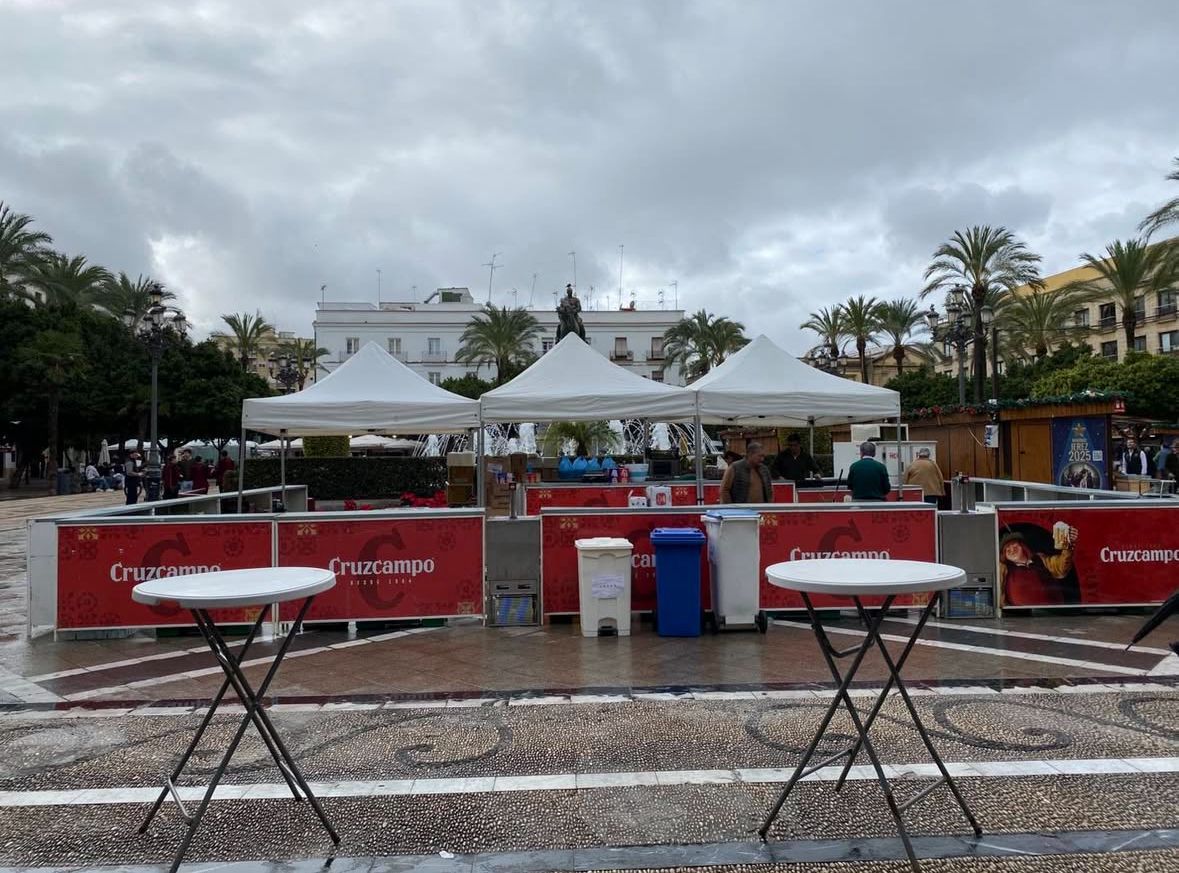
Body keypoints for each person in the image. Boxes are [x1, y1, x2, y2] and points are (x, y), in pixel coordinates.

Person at [999, 527, 1078, 606]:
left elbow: (1062, 568)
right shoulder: (1005, 570)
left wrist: (1068, 544)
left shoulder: (1040, 559)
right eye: (1007, 550)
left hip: (1054, 612)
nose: (1012, 550)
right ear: (1004, 556)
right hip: (1023, 616)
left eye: (1014, 546)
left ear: (1022, 546)